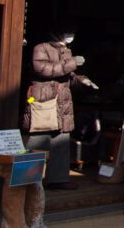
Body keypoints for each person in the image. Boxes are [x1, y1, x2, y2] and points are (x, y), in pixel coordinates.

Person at [23, 27, 98, 190]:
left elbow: (68, 75)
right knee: (38, 138)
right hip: (44, 99)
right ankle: (27, 179)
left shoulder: (66, 50)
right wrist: (72, 63)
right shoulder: (41, 47)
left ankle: (58, 179)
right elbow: (43, 69)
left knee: (61, 140)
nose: (71, 35)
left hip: (63, 101)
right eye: (68, 32)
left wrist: (82, 80)